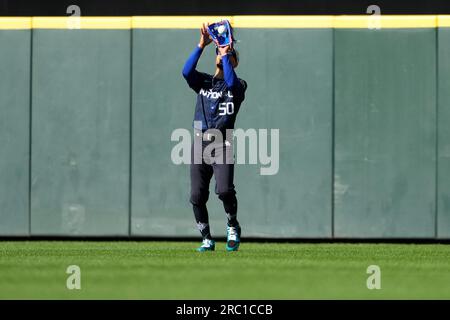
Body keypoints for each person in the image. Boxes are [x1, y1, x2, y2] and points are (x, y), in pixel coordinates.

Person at [182, 22, 248, 252]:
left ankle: (232, 224)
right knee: (197, 196)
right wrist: (201, 45)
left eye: (228, 57)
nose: (220, 57)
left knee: (224, 190)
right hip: (200, 142)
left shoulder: (238, 85)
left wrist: (226, 52)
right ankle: (207, 238)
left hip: (222, 143)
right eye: (218, 55)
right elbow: (186, 72)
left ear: (235, 63)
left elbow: (230, 82)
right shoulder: (204, 82)